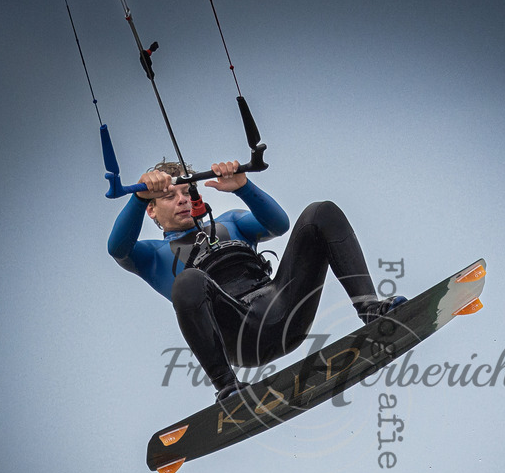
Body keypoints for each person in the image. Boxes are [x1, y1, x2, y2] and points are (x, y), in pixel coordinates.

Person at [107, 160, 405, 400]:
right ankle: (227, 387)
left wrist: (244, 187)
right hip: (239, 334)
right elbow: (117, 248)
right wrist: (137, 197)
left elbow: (278, 223)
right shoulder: (151, 255)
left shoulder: (231, 221)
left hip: (283, 307)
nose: (182, 200)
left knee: (320, 212)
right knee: (188, 281)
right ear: (152, 209)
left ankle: (370, 309)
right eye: (170, 196)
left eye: (186, 192)